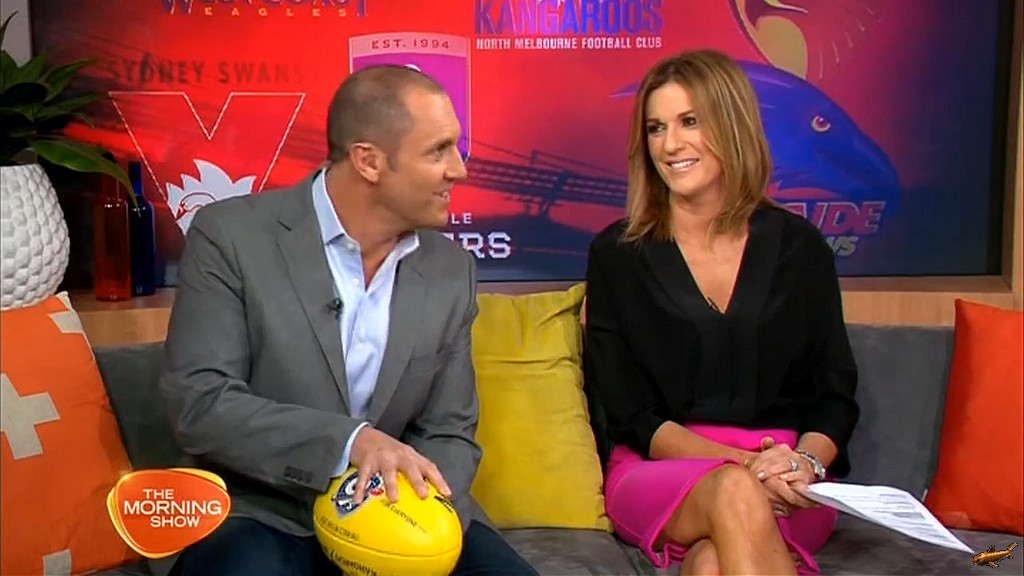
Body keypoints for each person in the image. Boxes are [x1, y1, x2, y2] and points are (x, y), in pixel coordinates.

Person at [157, 64, 539, 576]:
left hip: (404, 514)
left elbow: (450, 429)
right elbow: (201, 404)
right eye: (438, 151)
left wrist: (401, 514)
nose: (459, 170)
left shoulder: (450, 270)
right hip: (267, 510)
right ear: (369, 161)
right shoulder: (232, 237)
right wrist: (350, 442)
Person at [582, 49, 860, 576]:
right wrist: (745, 466)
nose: (670, 145)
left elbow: (835, 398)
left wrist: (803, 463)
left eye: (690, 122)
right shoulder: (618, 254)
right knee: (734, 490)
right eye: (656, 128)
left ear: (733, 125)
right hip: (661, 470)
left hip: (789, 478)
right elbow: (630, 414)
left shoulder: (801, 248)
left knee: (712, 564)